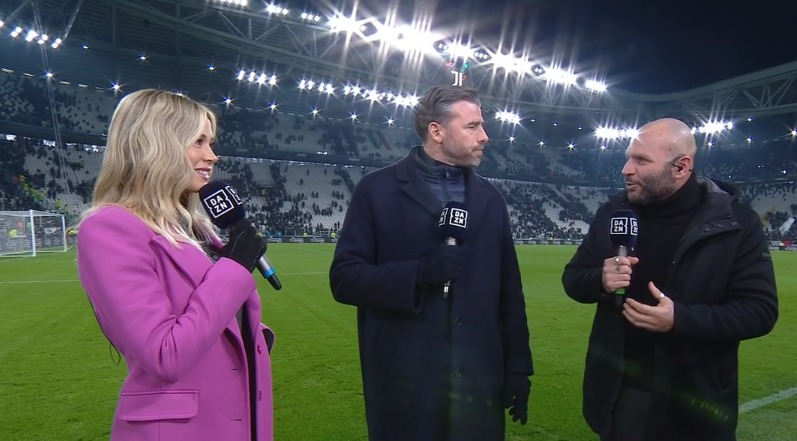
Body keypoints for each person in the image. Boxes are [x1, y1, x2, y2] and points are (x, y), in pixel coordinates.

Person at [329, 85, 533, 441]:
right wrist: (420, 273)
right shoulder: (377, 191)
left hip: (478, 389)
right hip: (405, 389)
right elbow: (345, 279)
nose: (485, 136)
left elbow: (509, 293)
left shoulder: (490, 199)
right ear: (436, 131)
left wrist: (518, 367)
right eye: (472, 126)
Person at [562, 117, 778, 441]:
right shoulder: (614, 211)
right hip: (623, 393)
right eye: (628, 157)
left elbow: (760, 311)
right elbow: (573, 279)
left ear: (681, 167)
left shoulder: (736, 223)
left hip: (696, 401)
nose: (626, 169)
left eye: (641, 160)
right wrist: (600, 280)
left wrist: (680, 319)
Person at [77, 89, 275, 441]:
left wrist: (252, 336)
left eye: (211, 143)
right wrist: (234, 266)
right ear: (156, 143)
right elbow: (164, 354)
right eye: (198, 142)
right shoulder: (108, 227)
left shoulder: (197, 227)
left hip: (237, 419)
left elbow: (212, 320)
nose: (212, 155)